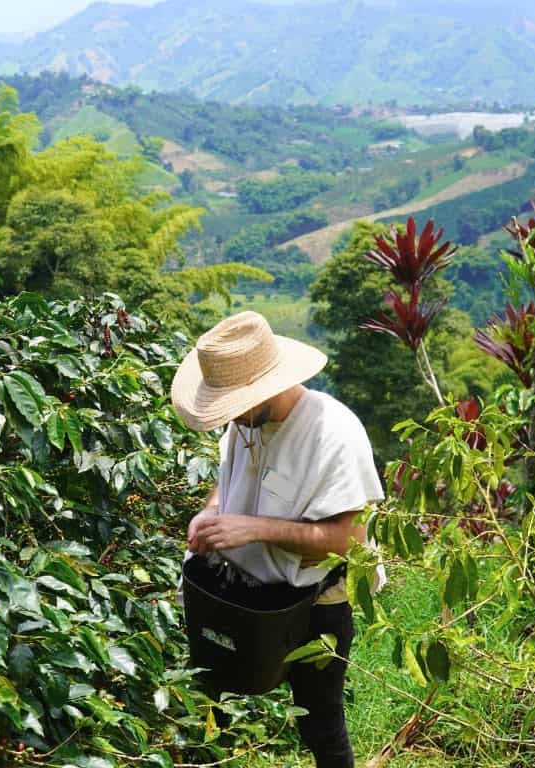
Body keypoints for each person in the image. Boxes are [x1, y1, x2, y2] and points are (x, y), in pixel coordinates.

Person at [170, 310, 385, 768]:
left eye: (236, 405)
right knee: (212, 697)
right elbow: (228, 477)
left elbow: (350, 541)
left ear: (266, 388)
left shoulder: (333, 433)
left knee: (320, 721)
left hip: (317, 601)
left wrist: (256, 529)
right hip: (245, 592)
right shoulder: (245, 420)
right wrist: (210, 513)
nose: (232, 417)